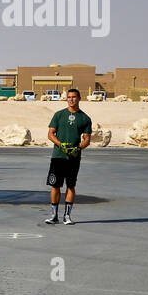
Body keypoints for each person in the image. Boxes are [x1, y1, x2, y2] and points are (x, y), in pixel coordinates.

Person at [44, 88, 92, 224]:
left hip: (73, 158)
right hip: (58, 156)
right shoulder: (59, 115)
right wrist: (61, 145)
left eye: (74, 97)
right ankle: (54, 216)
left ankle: (67, 216)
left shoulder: (85, 118)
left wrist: (77, 148)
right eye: (69, 97)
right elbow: (50, 134)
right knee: (55, 186)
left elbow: (87, 139)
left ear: (79, 98)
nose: (71, 99)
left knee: (70, 186)